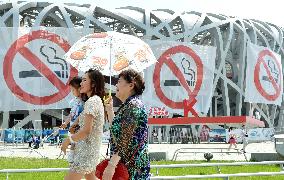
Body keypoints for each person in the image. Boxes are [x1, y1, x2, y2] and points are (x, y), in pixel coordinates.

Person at [103, 69, 150, 180]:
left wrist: (111, 165)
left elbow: (125, 140)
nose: (116, 85)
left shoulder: (133, 106)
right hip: (127, 165)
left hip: (132, 168)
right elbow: (118, 131)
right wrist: (109, 110)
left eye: (119, 81)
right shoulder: (129, 105)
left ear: (131, 85)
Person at [61, 69, 105, 180]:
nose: (81, 83)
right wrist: (74, 126)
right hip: (87, 151)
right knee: (91, 178)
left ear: (93, 83)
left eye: (84, 80)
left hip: (85, 153)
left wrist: (68, 140)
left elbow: (86, 131)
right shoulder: (94, 100)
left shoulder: (92, 101)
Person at [60, 76, 84, 163]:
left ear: (80, 88)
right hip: (72, 126)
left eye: (73, 90)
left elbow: (82, 115)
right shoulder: (74, 101)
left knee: (77, 141)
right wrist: (66, 123)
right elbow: (71, 114)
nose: (72, 92)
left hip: (79, 126)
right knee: (73, 141)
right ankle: (72, 157)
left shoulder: (84, 101)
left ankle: (74, 157)